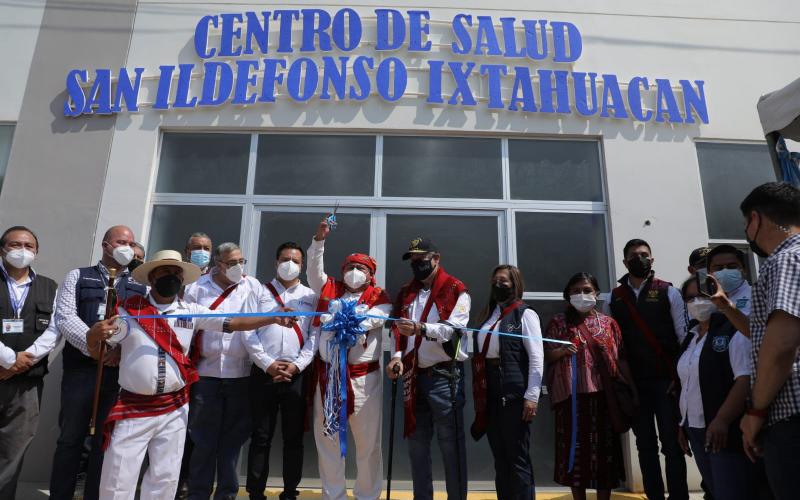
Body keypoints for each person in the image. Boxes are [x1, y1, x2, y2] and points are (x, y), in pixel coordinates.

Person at [90, 249, 296, 500]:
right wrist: (93, 337)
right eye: (166, 272)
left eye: (177, 273)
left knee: (165, 477)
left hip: (174, 408)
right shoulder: (128, 313)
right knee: (119, 476)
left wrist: (272, 318)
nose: (172, 277)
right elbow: (101, 353)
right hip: (134, 407)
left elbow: (233, 322)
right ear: (152, 277)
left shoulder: (191, 310)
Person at [50, 225, 147, 500]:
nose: (126, 246)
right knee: (70, 438)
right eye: (121, 241)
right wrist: (95, 347)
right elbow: (66, 318)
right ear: (105, 245)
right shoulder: (78, 276)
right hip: (82, 370)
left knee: (106, 443)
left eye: (130, 242)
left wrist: (117, 352)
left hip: (118, 373)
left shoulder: (141, 285)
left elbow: (142, 328)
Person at [307, 218, 392, 500]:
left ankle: (367, 495)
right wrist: (319, 240)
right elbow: (313, 269)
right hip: (328, 376)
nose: (354, 272)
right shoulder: (328, 288)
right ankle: (334, 495)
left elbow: (371, 320)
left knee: (368, 443)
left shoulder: (380, 297)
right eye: (350, 267)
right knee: (328, 439)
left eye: (361, 269)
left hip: (364, 379)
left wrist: (346, 319)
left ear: (371, 275)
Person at [387, 237, 470, 500]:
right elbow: (398, 329)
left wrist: (423, 329)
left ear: (436, 258)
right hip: (414, 375)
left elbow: (454, 329)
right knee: (417, 447)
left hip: (444, 377)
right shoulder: (406, 292)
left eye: (421, 259)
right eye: (412, 260)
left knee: (451, 447)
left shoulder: (456, 288)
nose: (416, 264)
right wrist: (396, 356)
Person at [605, 238, 689, 500]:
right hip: (635, 385)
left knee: (672, 446)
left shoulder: (669, 292)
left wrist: (680, 378)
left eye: (643, 254)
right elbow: (612, 345)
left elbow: (683, 337)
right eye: (633, 255)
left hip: (666, 382)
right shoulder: (614, 298)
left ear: (652, 260)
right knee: (645, 447)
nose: (638, 258)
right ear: (624, 261)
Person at [182, 242, 267, 500]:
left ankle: (227, 494)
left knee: (233, 443)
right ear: (218, 264)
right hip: (205, 376)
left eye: (241, 261)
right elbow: (185, 327)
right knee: (203, 440)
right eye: (232, 263)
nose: (238, 267)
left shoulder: (252, 286)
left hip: (240, 375)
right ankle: (198, 493)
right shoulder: (196, 288)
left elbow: (259, 325)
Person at [737, 182, 800, 500]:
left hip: (792, 418)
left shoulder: (785, 261)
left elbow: (781, 347)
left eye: (746, 224)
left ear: (756, 219)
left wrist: (756, 412)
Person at [545, 272, 630, 500]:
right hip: (571, 399)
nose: (581, 295)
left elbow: (620, 357)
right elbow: (546, 354)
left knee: (605, 454)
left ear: (596, 293)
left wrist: (631, 389)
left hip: (604, 398)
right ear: (567, 296)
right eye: (575, 291)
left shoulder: (609, 323)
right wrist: (562, 351)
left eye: (586, 290)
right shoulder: (558, 322)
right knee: (575, 454)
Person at [244, 241, 317, 500]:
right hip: (263, 373)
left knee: (294, 438)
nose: (290, 264)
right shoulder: (258, 292)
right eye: (285, 259)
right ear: (275, 262)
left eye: (296, 261)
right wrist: (268, 363)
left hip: (296, 375)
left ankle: (289, 492)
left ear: (303, 265)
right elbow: (247, 332)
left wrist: (297, 364)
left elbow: (314, 336)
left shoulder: (310, 296)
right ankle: (255, 492)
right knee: (260, 437)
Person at [676, 277, 752, 500]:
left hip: (724, 430)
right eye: (690, 298)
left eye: (702, 295)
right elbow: (686, 383)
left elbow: (744, 379)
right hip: (695, 429)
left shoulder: (734, 330)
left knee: (732, 492)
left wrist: (722, 420)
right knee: (716, 491)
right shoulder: (690, 336)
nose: (697, 301)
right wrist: (682, 423)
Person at [471, 265, 542, 499]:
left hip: (512, 390)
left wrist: (532, 396)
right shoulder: (488, 314)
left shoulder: (525, 313)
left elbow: (536, 357)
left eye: (503, 281)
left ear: (515, 284)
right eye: (494, 281)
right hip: (489, 388)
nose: (497, 285)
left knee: (517, 456)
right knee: (500, 457)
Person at [0, 226, 59, 499]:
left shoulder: (49, 286)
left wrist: (25, 361)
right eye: (14, 245)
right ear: (2, 249)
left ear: (36, 252)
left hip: (27, 383)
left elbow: (55, 329)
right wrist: (9, 359)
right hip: (7, 368)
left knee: (14, 449)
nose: (22, 251)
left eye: (28, 246)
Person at [704, 245, 751, 338]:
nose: (725, 271)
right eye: (718, 268)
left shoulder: (758, 295)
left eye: (732, 266)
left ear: (744, 270)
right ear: (709, 273)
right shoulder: (704, 300)